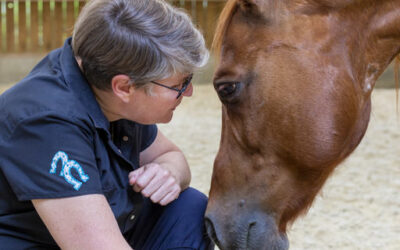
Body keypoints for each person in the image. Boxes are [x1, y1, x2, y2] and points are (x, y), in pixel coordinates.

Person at [0, 0, 213, 249]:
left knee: (189, 207)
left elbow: (170, 155)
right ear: (124, 87)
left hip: (113, 225)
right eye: (179, 85)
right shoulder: (46, 124)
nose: (188, 93)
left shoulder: (107, 83)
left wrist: (169, 173)